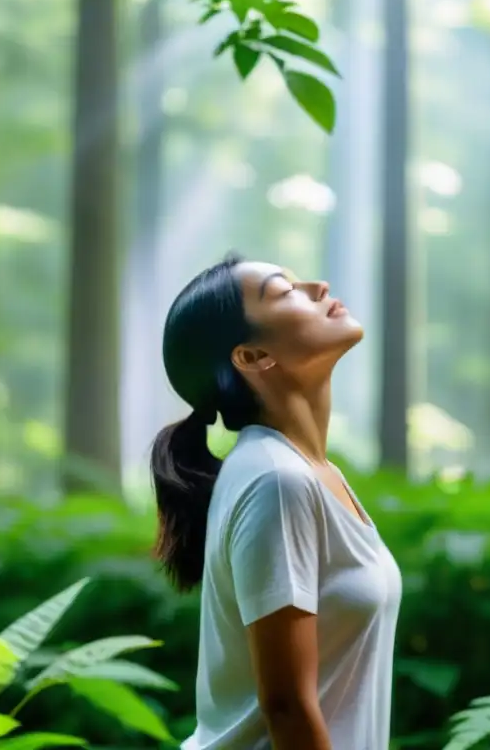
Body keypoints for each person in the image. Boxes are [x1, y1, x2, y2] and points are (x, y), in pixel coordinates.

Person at [151, 253, 402, 750]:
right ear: (251, 357)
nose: (317, 285)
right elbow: (286, 707)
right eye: (284, 291)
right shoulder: (276, 479)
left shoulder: (309, 472)